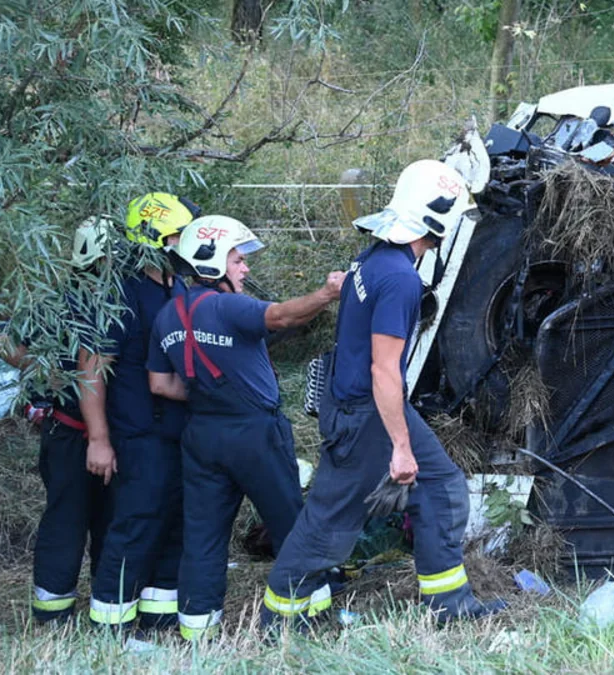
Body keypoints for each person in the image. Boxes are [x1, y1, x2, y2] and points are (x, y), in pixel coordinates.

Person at [262, 159, 506, 628]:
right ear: (440, 221)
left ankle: (448, 604)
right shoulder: (399, 279)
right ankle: (279, 621)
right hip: (365, 412)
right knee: (329, 521)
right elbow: (385, 371)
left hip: (360, 402)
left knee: (443, 484)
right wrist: (399, 447)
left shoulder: (373, 256)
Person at [146, 215, 344, 640]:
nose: (246, 268)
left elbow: (160, 384)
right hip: (255, 433)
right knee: (292, 523)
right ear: (213, 262)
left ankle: (198, 631)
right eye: (238, 259)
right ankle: (306, 618)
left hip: (201, 435)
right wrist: (327, 293)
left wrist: (212, 396)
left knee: (203, 535)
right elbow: (283, 317)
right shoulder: (226, 305)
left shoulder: (166, 317)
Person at [85, 192, 201, 632]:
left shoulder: (178, 286)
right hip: (139, 432)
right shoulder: (122, 292)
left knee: (174, 524)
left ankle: (158, 622)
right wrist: (99, 439)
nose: (186, 242)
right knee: (135, 525)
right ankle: (110, 628)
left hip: (178, 431)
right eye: (178, 235)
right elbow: (91, 366)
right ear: (155, 238)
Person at [0, 216, 115, 624]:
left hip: (76, 431)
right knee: (77, 519)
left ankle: (75, 607)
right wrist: (51, 372)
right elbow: (7, 343)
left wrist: (45, 370)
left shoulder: (57, 296)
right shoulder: (76, 300)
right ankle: (60, 610)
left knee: (80, 518)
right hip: (76, 432)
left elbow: (7, 344)